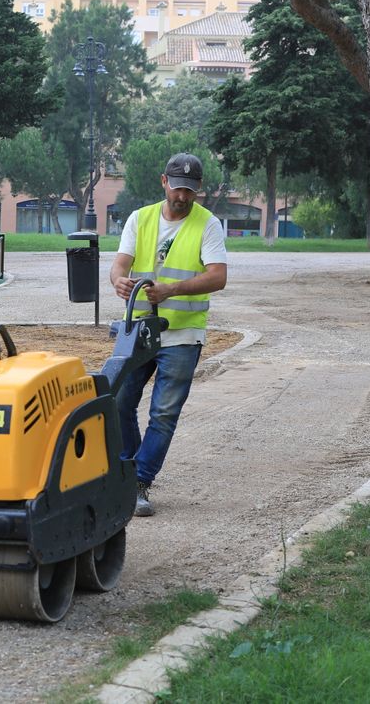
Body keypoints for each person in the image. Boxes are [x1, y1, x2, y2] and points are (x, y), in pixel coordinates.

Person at [109, 152, 228, 517]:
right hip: (138, 330)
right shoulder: (140, 218)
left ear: (198, 190)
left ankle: (140, 482)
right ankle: (128, 469)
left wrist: (171, 290)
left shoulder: (208, 224)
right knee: (118, 403)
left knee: (163, 413)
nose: (182, 198)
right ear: (164, 182)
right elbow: (119, 265)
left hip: (182, 334)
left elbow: (218, 276)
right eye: (177, 189)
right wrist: (119, 282)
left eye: (190, 192)